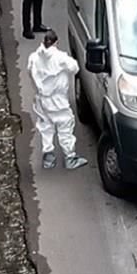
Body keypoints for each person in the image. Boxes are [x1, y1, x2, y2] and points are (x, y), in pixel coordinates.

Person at [27, 30, 88, 170]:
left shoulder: (34, 57)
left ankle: (48, 157)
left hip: (41, 99)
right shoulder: (61, 58)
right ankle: (70, 157)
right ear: (56, 42)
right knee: (65, 126)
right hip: (58, 100)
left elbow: (29, 71)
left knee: (46, 127)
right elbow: (75, 67)